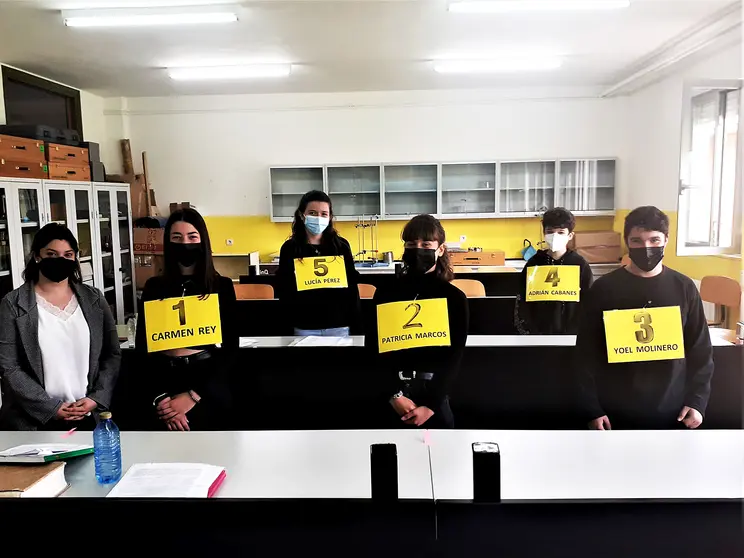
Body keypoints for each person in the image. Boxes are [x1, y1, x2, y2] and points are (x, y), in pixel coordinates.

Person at [575, 206, 714, 430]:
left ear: (666, 239)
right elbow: (585, 353)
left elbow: (700, 350)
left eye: (654, 239)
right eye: (637, 241)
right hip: (614, 412)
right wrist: (592, 408)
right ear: (627, 241)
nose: (646, 247)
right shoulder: (604, 289)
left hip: (674, 411)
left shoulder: (684, 288)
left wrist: (697, 401)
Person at [0, 224, 121, 430]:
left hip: (88, 415)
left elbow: (112, 354)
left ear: (75, 258)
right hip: (34, 421)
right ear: (37, 256)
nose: (60, 260)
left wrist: (96, 398)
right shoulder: (13, 304)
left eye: (68, 254)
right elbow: (9, 367)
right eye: (51, 254)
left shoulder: (94, 299)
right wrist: (50, 407)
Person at [135, 208, 238, 431]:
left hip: (206, 383)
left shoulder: (221, 286)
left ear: (202, 241)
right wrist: (162, 399)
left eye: (192, 237)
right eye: (176, 238)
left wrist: (193, 395)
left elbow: (230, 349)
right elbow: (143, 348)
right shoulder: (154, 287)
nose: (185, 243)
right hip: (163, 384)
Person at [366, 214, 469, 429]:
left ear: (440, 249)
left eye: (426, 244)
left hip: (434, 398)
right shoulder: (386, 293)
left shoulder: (454, 298)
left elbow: (454, 356)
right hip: (392, 397)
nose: (418, 249)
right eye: (411, 244)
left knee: (440, 459)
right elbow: (374, 350)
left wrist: (431, 404)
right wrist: (394, 395)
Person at [277, 190, 361, 336]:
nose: (318, 217)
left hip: (338, 324)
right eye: (313, 213)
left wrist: (356, 322)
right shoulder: (290, 249)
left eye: (324, 214)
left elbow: (351, 289)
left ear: (330, 217)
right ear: (302, 215)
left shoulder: (341, 246)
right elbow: (284, 290)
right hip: (305, 325)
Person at [515, 207, 593, 334]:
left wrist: (579, 331)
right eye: (550, 232)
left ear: (570, 235)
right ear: (544, 234)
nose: (555, 236)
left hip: (571, 336)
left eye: (561, 232)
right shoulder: (534, 264)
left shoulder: (580, 265)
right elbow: (522, 301)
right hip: (537, 336)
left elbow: (588, 302)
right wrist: (528, 331)